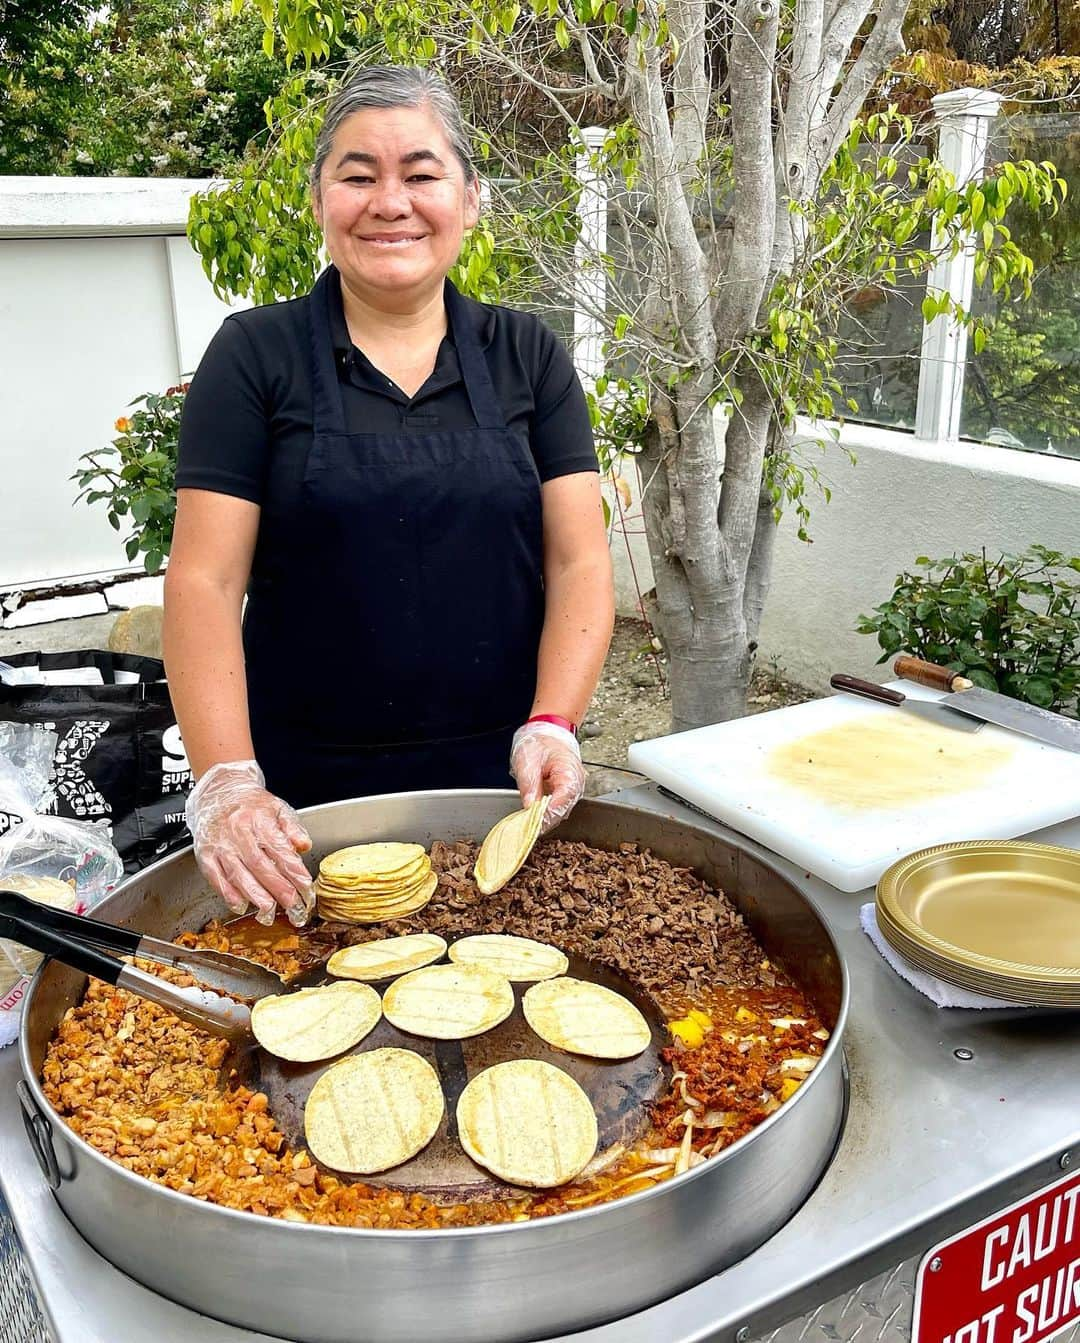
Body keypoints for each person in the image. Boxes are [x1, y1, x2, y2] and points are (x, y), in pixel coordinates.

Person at [163, 66, 615, 927]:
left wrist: (555, 721)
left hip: (500, 784)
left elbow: (579, 556)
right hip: (299, 802)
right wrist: (226, 780)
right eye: (358, 174)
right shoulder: (255, 358)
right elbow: (204, 583)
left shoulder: (530, 357)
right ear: (320, 198)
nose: (389, 201)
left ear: (471, 198)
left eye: (420, 172)